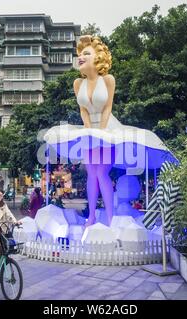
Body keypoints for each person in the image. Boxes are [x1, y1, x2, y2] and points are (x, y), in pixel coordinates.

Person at [43, 35, 177, 228]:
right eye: (79, 54)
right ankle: (91, 217)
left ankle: (111, 218)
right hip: (88, 129)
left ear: (98, 57)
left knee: (101, 173)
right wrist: (89, 132)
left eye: (86, 53)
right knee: (91, 173)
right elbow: (83, 110)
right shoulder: (77, 84)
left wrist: (102, 133)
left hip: (108, 127)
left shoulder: (107, 80)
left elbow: (107, 107)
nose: (80, 57)